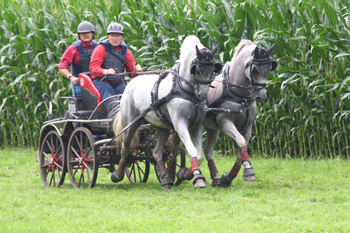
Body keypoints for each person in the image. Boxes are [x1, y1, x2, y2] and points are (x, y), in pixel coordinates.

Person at [89, 22, 142, 100]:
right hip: (101, 81)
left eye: (118, 36)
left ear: (121, 37)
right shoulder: (101, 49)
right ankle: (113, 111)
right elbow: (93, 68)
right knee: (108, 92)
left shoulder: (126, 51)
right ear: (108, 36)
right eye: (112, 36)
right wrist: (106, 71)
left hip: (118, 82)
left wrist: (137, 71)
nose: (115, 38)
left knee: (127, 96)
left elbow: (131, 73)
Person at [58, 21, 98, 99]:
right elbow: (62, 67)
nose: (86, 35)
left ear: (92, 34)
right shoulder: (73, 48)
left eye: (88, 33)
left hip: (96, 83)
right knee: (80, 107)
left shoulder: (99, 47)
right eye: (83, 33)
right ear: (79, 35)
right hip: (80, 85)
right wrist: (71, 77)